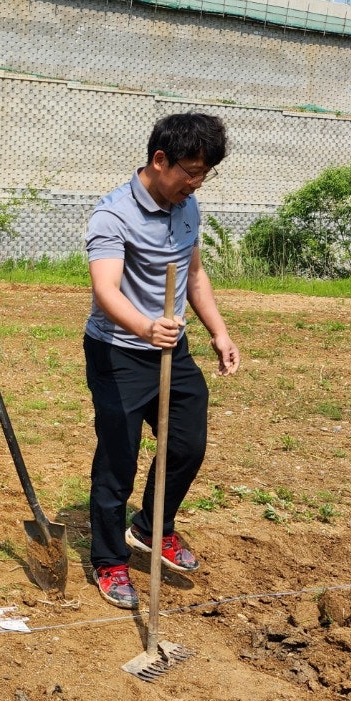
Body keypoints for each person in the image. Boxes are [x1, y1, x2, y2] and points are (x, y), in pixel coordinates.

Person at [84, 112, 240, 610]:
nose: (195, 184)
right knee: (118, 461)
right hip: (120, 353)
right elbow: (106, 290)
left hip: (173, 348)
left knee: (187, 444)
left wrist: (218, 331)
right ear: (159, 160)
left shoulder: (187, 208)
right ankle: (108, 560)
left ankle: (151, 527)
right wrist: (145, 326)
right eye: (190, 172)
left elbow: (194, 276)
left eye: (203, 174)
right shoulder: (112, 215)